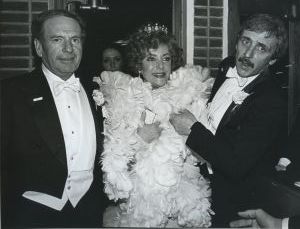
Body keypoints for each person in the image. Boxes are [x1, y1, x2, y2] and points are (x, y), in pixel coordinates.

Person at [169, 14, 288, 227]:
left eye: (261, 48)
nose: (248, 54)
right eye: (246, 41)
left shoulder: (272, 101)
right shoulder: (226, 67)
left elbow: (235, 163)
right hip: (200, 185)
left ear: (273, 59)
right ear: (236, 42)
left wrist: (192, 129)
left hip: (236, 204)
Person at [92, 23, 214, 227]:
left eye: (165, 59)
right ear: (139, 64)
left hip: (183, 207)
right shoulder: (123, 101)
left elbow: (205, 158)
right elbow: (113, 171)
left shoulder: (189, 99)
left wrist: (190, 133)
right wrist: (140, 140)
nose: (160, 66)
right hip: (140, 210)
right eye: (151, 58)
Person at [1, 9, 108, 228]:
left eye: (75, 39)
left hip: (89, 214)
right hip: (30, 217)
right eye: (57, 39)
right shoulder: (10, 93)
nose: (69, 49)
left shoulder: (98, 89)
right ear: (39, 47)